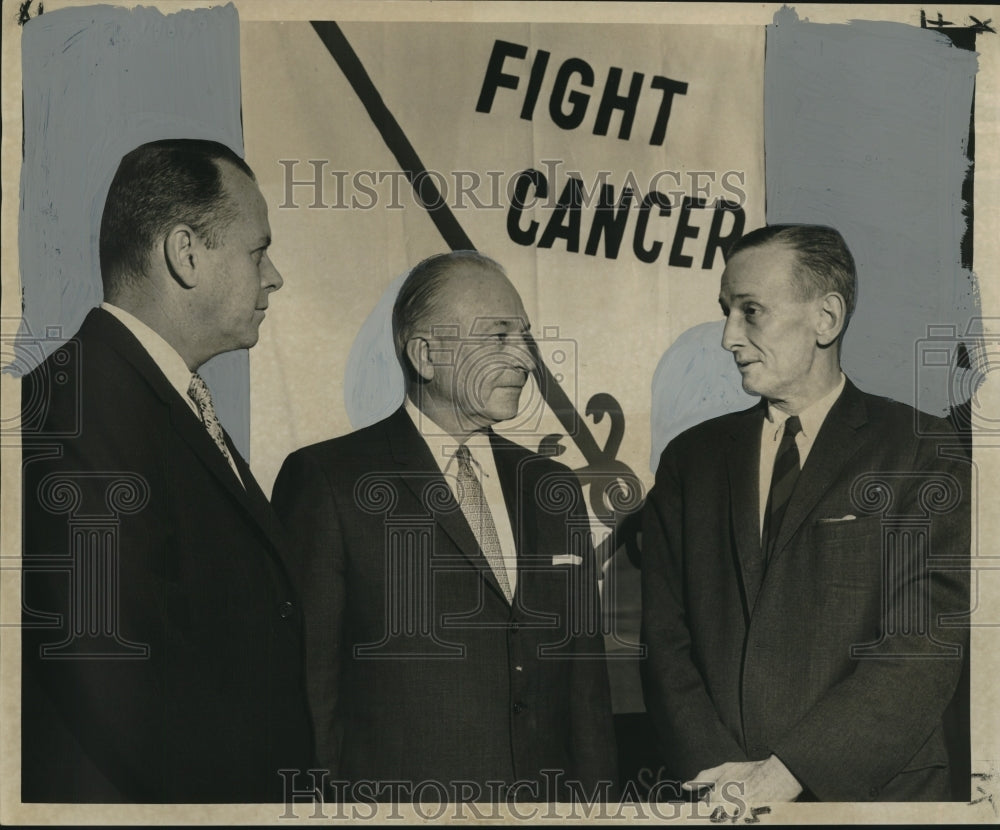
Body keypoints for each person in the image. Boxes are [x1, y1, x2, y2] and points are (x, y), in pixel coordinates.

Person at [20, 139, 313, 803]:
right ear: (185, 253)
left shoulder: (137, 398)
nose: (273, 277)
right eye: (257, 251)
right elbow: (112, 670)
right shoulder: (78, 410)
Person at [271, 250, 618, 802]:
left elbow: (586, 693)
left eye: (525, 336)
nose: (526, 358)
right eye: (499, 336)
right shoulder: (329, 481)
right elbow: (311, 693)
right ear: (426, 355)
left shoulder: (552, 488)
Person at [640, 224, 970, 803]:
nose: (728, 337)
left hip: (874, 801)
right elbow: (664, 642)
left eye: (750, 311)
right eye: (725, 311)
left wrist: (785, 775)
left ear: (826, 318)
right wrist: (720, 778)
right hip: (716, 796)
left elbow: (921, 647)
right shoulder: (689, 461)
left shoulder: (922, 450)